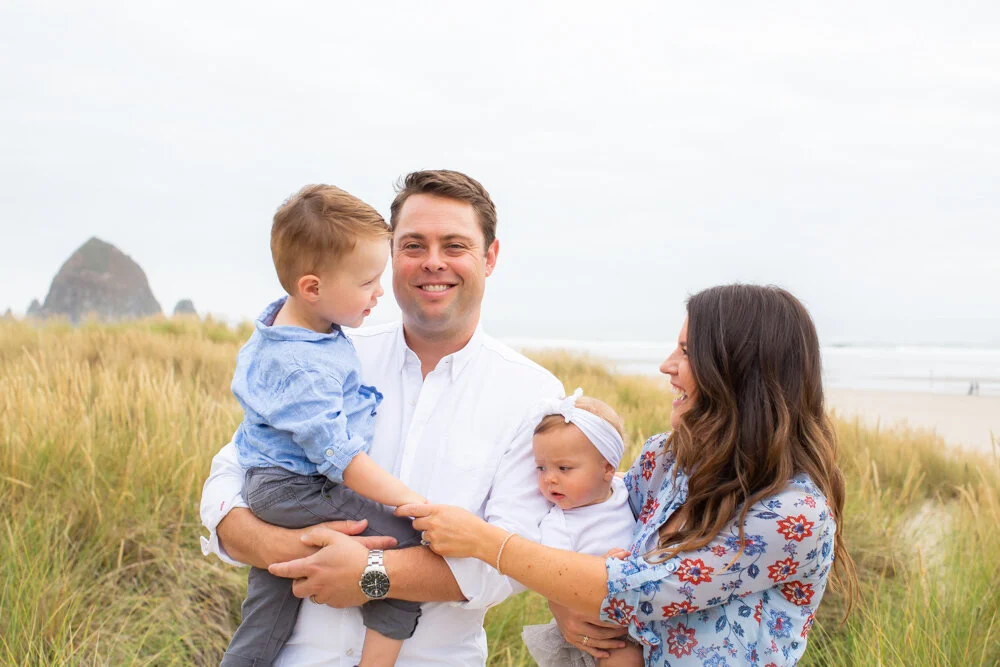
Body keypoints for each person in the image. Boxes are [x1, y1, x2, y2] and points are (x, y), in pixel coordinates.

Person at [200, 170, 565, 665]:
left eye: (454, 245)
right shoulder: (328, 353)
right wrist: (284, 548)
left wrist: (372, 574)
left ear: (490, 257)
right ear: (392, 255)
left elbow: (506, 562)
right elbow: (230, 479)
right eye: (413, 245)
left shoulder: (533, 395)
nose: (432, 262)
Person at [401, 284, 860, 666]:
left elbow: (632, 589)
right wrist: (564, 606)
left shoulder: (791, 513)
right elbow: (585, 528)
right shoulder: (666, 457)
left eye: (686, 351)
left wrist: (484, 542)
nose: (667, 365)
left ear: (737, 371)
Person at [223, 184, 428, 667]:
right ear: (312, 287)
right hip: (299, 488)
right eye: (367, 283)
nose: (380, 292)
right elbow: (343, 461)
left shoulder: (295, 329)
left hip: (275, 486)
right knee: (404, 550)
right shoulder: (305, 367)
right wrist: (411, 502)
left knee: (269, 607)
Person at [521, 389, 640, 667]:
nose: (549, 479)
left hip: (643, 613)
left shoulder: (626, 490)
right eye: (541, 468)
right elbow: (553, 578)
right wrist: (593, 570)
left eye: (564, 468)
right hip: (600, 628)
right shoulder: (559, 524)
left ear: (607, 468)